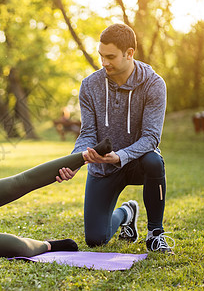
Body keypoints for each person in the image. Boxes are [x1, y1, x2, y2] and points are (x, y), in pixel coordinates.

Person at [71, 23, 174, 253]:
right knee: (96, 239)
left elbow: (151, 137)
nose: (104, 62)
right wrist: (76, 160)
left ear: (129, 54)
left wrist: (121, 156)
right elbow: (87, 132)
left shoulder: (153, 84)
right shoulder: (89, 86)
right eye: (101, 56)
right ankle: (127, 213)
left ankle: (155, 233)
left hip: (136, 163)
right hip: (102, 169)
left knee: (154, 161)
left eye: (110, 56)